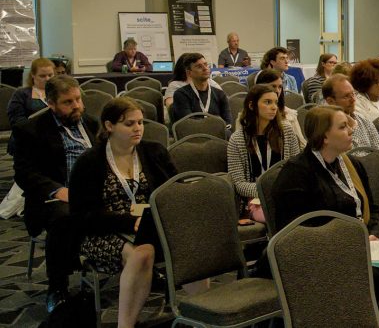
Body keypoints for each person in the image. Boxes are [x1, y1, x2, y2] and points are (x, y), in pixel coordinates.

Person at [68, 98, 200, 328]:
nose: (138, 128)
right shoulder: (89, 162)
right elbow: (82, 216)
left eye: (140, 122)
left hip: (151, 224)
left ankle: (201, 312)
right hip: (105, 231)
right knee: (143, 253)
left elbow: (176, 191)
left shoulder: (154, 152)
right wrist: (131, 222)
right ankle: (125, 324)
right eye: (129, 124)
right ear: (109, 126)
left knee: (189, 241)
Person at [11, 75, 99, 311]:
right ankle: (57, 286)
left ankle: (143, 267)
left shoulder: (90, 123)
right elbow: (24, 174)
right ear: (51, 103)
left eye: (78, 99)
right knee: (65, 216)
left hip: (91, 193)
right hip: (52, 198)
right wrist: (59, 190)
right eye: (68, 102)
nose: (77, 106)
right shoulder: (30, 130)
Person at [272, 104, 379, 233]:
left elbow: (373, 209)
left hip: (361, 240)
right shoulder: (295, 173)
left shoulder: (353, 164)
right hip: (322, 247)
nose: (351, 130)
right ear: (324, 137)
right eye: (343, 127)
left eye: (348, 125)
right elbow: (295, 230)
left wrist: (374, 234)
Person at [227, 84, 302, 220]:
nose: (274, 107)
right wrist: (267, 190)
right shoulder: (237, 139)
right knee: (277, 214)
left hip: (285, 193)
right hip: (255, 198)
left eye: (275, 103)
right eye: (267, 102)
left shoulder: (286, 131)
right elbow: (238, 183)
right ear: (251, 106)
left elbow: (296, 170)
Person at [322, 74, 379, 157]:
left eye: (353, 94)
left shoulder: (362, 119)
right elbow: (344, 161)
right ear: (330, 101)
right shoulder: (325, 127)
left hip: (373, 168)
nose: (353, 100)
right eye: (346, 96)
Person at [168, 54, 232, 128]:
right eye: (199, 66)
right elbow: (188, 123)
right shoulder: (181, 94)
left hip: (219, 135)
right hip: (194, 136)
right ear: (189, 73)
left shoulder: (219, 93)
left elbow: (228, 122)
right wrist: (216, 122)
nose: (205, 68)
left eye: (206, 64)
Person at [249, 69, 306, 147]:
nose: (277, 91)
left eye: (280, 87)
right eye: (273, 86)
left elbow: (301, 144)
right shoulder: (245, 119)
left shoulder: (290, 115)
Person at [7, 57, 54, 128]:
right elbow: (16, 121)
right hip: (29, 133)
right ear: (33, 75)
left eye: (50, 75)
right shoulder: (21, 94)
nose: (47, 79)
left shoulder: (59, 92)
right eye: (42, 76)